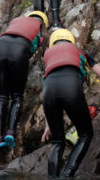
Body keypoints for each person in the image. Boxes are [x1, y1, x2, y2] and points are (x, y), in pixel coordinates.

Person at [40, 28, 100, 177]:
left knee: (57, 142)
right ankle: (67, 175)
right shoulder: (78, 51)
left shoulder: (48, 56)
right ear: (70, 41)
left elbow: (47, 86)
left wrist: (48, 124)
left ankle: (52, 177)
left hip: (49, 93)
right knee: (85, 135)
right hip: (70, 88)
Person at [0, 11, 48, 152]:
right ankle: (10, 132)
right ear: (43, 22)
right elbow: (34, 48)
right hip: (20, 49)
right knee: (16, 96)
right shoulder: (38, 28)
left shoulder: (16, 21)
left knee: (1, 96)